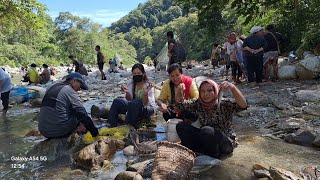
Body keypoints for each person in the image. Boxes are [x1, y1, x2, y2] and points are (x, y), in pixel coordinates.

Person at [176, 79, 247, 158]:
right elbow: (179, 105)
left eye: (209, 90)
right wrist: (179, 91)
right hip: (206, 139)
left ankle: (213, 156)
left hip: (224, 143)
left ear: (216, 90)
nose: (206, 94)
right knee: (181, 126)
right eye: (202, 91)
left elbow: (243, 105)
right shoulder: (198, 103)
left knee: (207, 131)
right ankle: (196, 151)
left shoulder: (224, 103)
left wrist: (232, 88)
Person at [38, 72, 99, 138]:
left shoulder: (52, 87)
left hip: (43, 131)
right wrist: (95, 133)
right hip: (57, 130)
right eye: (80, 86)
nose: (79, 89)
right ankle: (78, 130)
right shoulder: (69, 90)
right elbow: (83, 115)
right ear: (74, 81)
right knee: (80, 116)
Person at [108, 63, 156, 128]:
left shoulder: (148, 85)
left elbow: (145, 104)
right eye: (134, 74)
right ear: (132, 74)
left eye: (139, 73)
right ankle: (112, 126)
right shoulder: (131, 83)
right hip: (133, 106)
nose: (137, 75)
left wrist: (145, 94)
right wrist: (127, 92)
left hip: (147, 108)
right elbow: (129, 99)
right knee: (117, 101)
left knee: (135, 103)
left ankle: (130, 127)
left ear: (143, 73)